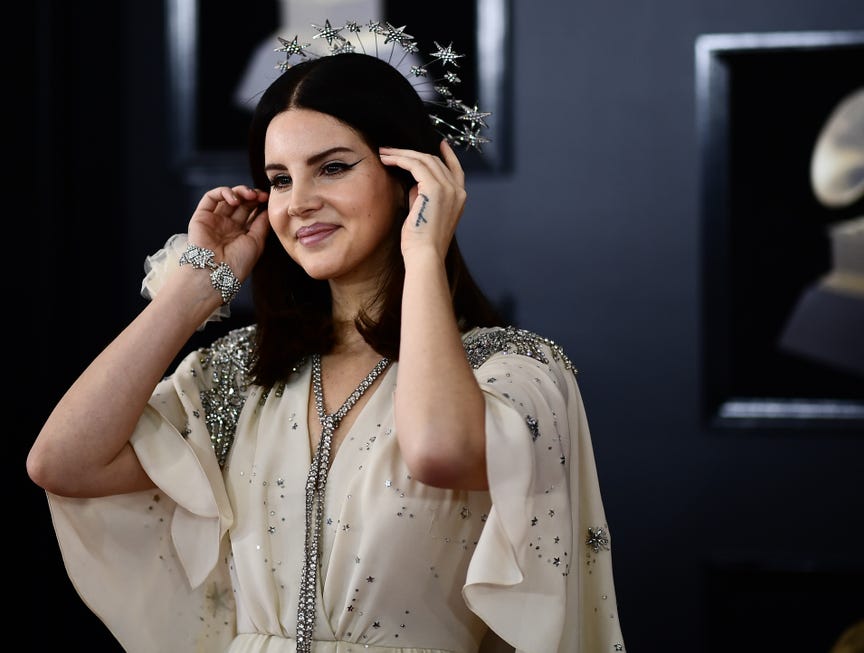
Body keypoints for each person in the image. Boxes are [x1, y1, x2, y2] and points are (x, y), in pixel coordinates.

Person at [27, 18, 626, 653]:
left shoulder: (511, 372)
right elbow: (61, 463)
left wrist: (424, 253)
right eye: (280, 179)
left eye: (332, 168)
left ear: (409, 179)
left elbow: (438, 452)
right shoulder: (243, 372)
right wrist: (192, 292)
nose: (299, 202)